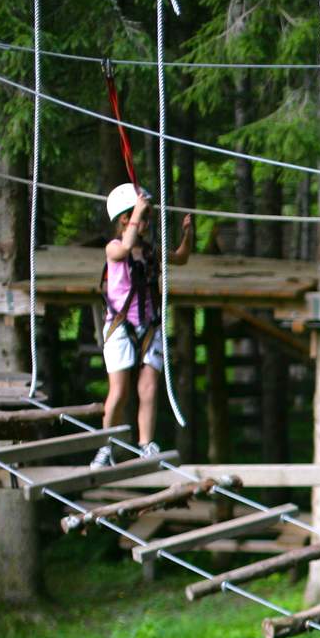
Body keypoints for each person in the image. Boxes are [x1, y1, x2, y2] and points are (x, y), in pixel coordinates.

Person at [92, 183, 190, 469]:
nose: (146, 222)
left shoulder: (150, 251)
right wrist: (138, 209)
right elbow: (123, 248)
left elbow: (181, 258)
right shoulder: (113, 248)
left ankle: (145, 444)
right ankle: (104, 447)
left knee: (148, 389)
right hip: (121, 327)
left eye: (146, 218)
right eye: (141, 218)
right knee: (119, 392)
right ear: (124, 219)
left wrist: (188, 233)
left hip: (149, 326)